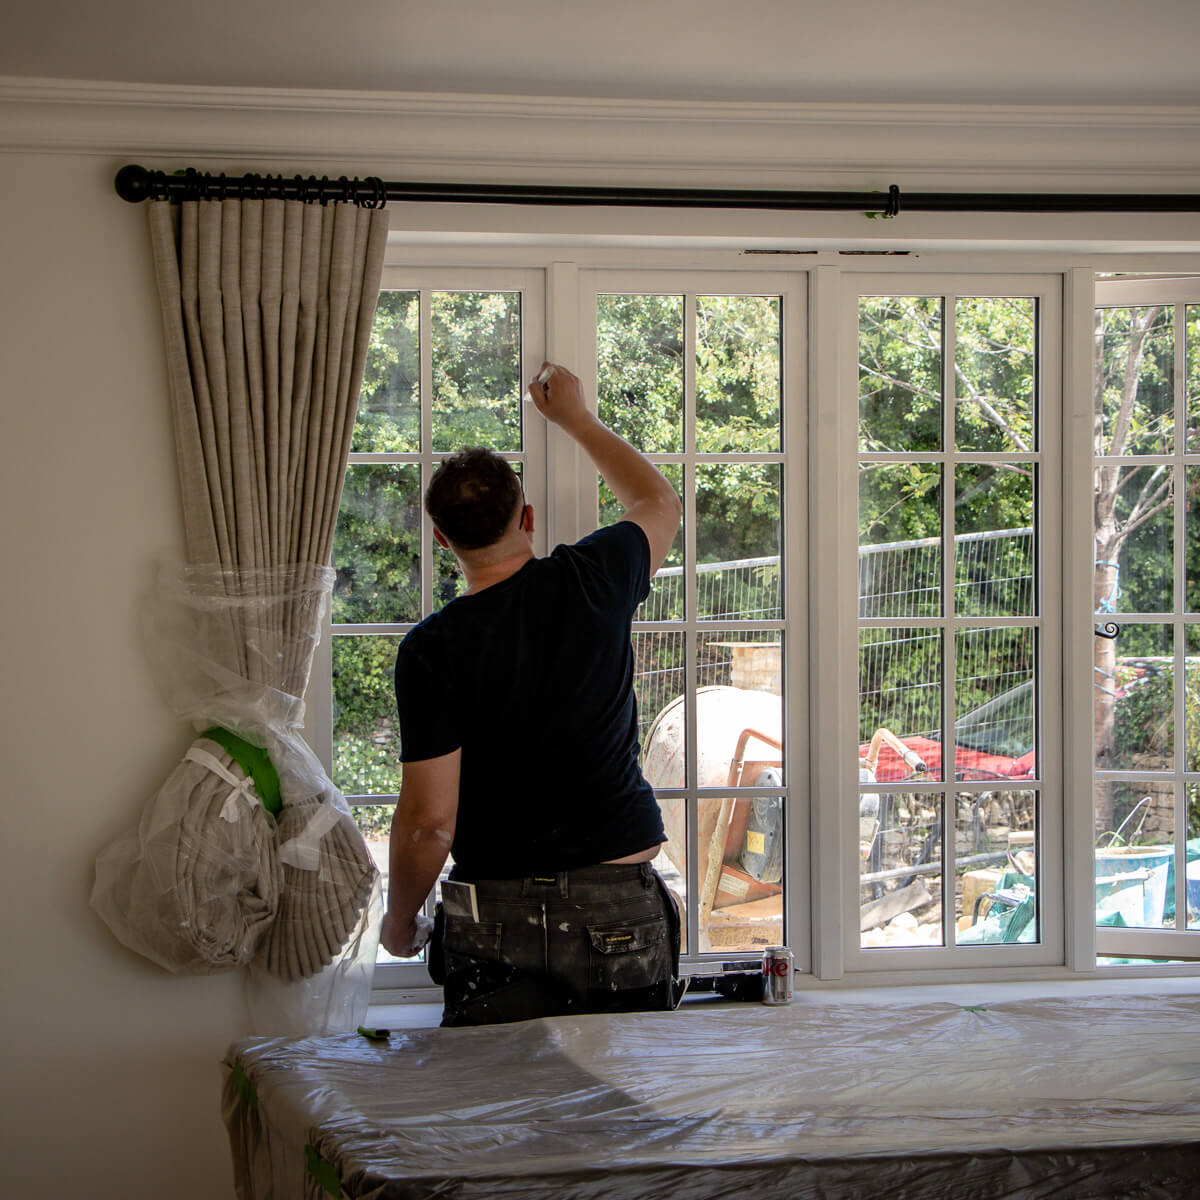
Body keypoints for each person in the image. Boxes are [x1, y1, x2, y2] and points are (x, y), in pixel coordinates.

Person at [379, 362, 684, 1026]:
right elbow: (660, 502)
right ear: (528, 518)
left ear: (442, 538)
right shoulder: (593, 578)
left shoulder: (430, 649)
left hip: (493, 913)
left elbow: (430, 823)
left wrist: (399, 921)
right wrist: (575, 418)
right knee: (626, 1095)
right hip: (617, 904)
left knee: (499, 1096)